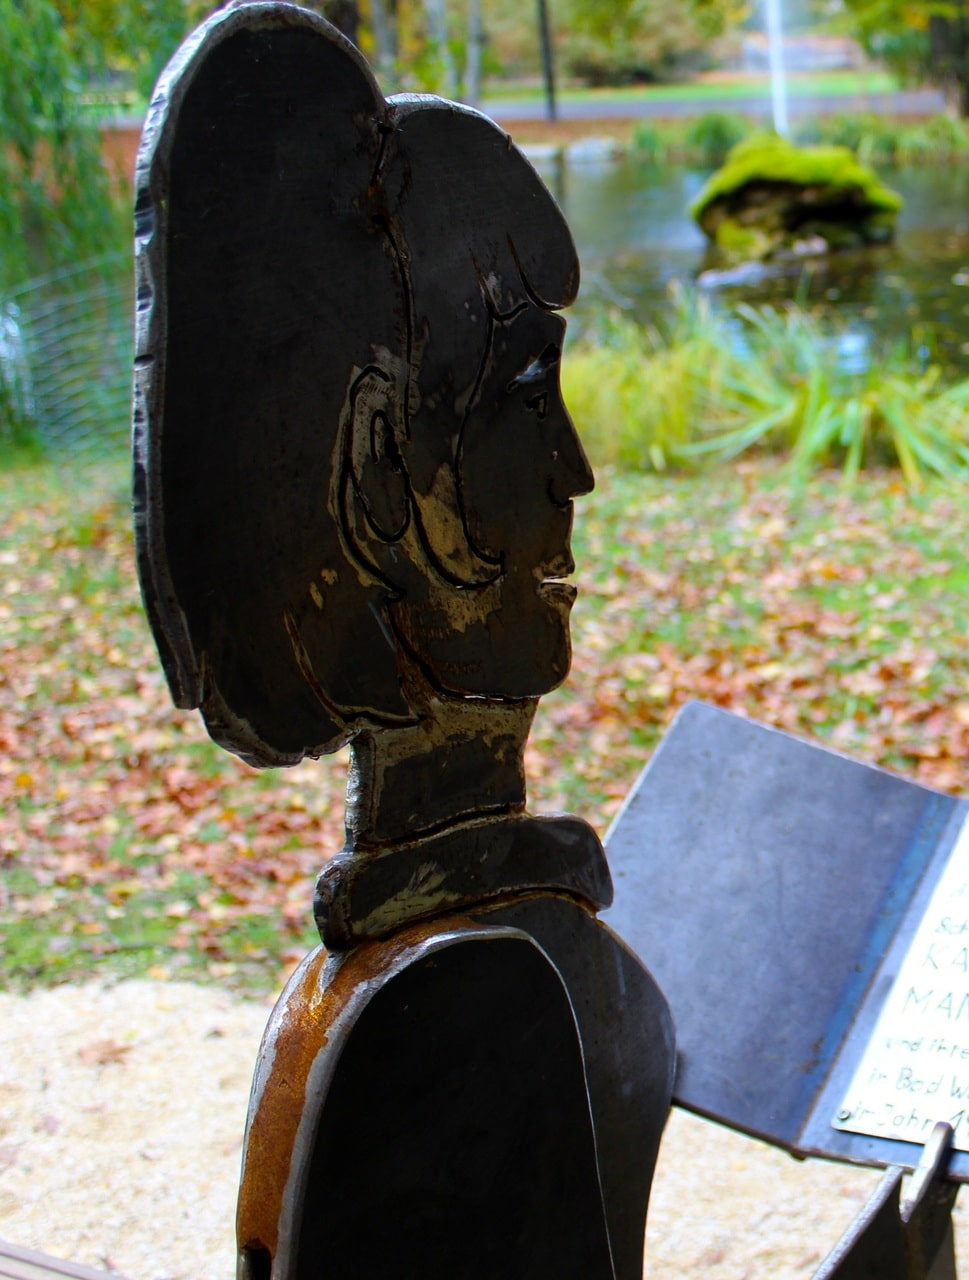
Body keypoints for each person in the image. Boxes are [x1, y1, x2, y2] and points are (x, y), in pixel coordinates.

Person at [132, 7, 672, 1277]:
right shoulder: (473, 998)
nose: (578, 472)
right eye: (527, 397)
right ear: (381, 477)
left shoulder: (465, 953)